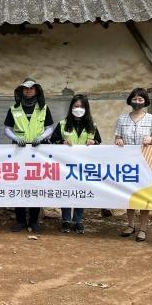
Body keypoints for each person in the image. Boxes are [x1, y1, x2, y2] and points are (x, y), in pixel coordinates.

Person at [4, 77, 54, 233]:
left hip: (38, 152)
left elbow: (50, 127)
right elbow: (7, 129)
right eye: (26, 88)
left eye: (32, 88)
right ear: (21, 91)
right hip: (18, 151)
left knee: (36, 186)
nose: (28, 90)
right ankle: (20, 221)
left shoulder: (43, 108)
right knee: (18, 185)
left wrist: (42, 137)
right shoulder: (14, 109)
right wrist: (15, 137)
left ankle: (34, 221)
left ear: (36, 90)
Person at [51, 94, 101, 234]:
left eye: (82, 106)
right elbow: (52, 140)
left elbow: (98, 141)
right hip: (65, 165)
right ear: (71, 107)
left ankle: (78, 221)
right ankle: (66, 220)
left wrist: (93, 142)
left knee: (80, 192)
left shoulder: (92, 125)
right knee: (66, 192)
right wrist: (62, 142)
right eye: (76, 106)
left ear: (86, 108)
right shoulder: (62, 124)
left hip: (84, 165)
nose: (78, 109)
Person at [115, 87, 152, 242]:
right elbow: (117, 137)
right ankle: (130, 225)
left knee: (144, 195)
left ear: (145, 101)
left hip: (145, 163)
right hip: (127, 164)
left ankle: (143, 229)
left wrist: (151, 140)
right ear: (130, 100)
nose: (137, 102)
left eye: (140, 99)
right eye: (134, 99)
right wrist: (118, 140)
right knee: (130, 195)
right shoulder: (122, 118)